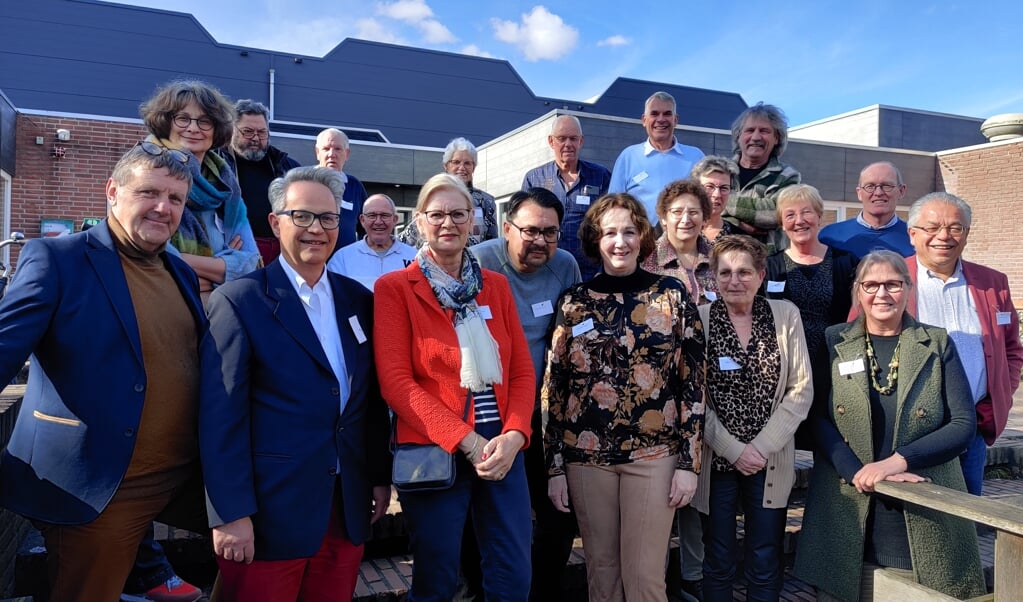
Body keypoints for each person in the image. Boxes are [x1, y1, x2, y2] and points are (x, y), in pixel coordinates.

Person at [0, 144, 211, 602]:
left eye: (176, 198)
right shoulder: (56, 260)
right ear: (113, 192)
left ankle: (152, 570)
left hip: (179, 477)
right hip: (97, 486)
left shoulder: (179, 269)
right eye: (150, 192)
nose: (163, 207)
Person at [202, 166, 391, 601]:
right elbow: (220, 417)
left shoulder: (358, 300)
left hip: (344, 507)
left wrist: (378, 476)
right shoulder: (240, 300)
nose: (316, 229)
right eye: (302, 216)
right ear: (275, 222)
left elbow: (367, 403)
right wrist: (229, 513)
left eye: (327, 218)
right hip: (270, 514)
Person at [374, 173, 535, 601]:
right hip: (436, 450)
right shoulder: (394, 289)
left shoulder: (495, 286)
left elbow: (520, 369)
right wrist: (465, 440)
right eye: (437, 214)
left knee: (513, 575)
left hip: (502, 447)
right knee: (437, 579)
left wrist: (516, 433)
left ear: (474, 221)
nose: (449, 223)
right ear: (421, 222)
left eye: (459, 214)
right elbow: (396, 383)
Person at [794, 251, 986, 602]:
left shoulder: (936, 342)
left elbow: (962, 425)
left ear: (908, 289)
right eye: (871, 284)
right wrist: (857, 472)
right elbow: (817, 417)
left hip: (922, 501)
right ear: (857, 291)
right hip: (847, 501)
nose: (882, 293)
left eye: (893, 284)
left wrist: (896, 462)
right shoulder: (833, 341)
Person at [543, 193, 705, 602]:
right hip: (585, 457)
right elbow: (554, 389)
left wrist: (689, 463)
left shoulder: (671, 295)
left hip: (653, 455)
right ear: (595, 239)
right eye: (610, 232)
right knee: (602, 574)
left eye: (629, 232)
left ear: (643, 238)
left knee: (645, 577)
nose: (620, 242)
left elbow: (693, 383)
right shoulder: (575, 301)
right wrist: (555, 468)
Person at [471, 187, 582, 600]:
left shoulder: (566, 266)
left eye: (551, 233)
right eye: (531, 230)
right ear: (507, 227)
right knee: (484, 518)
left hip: (545, 416)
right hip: (488, 416)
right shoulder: (479, 261)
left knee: (557, 518)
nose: (540, 241)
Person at [692, 235, 812, 602]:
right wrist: (733, 450)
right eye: (725, 272)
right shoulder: (700, 319)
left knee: (764, 555)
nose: (734, 280)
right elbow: (694, 397)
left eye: (744, 271)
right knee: (718, 557)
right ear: (713, 279)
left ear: (761, 275)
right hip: (718, 461)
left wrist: (758, 448)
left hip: (769, 457)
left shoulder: (785, 314)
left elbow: (801, 389)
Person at [905, 192, 1023, 495]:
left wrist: (1000, 393)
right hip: (908, 429)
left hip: (972, 424)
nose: (943, 236)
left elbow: (1011, 348)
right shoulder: (889, 277)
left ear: (967, 234)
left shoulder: (993, 283)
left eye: (955, 227)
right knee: (911, 516)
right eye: (932, 227)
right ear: (912, 234)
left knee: (967, 513)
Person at [140, 80, 260, 297]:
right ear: (166, 122)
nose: (193, 128)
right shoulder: (142, 171)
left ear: (217, 130)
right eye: (183, 118)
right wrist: (224, 266)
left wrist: (187, 266)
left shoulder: (226, 186)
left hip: (215, 311)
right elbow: (149, 255)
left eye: (205, 121)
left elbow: (252, 263)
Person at [764, 184, 858, 362]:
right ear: (782, 224)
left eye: (806, 212)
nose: (799, 221)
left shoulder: (846, 262)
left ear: (819, 217)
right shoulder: (769, 267)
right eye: (790, 215)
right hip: (786, 363)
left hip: (836, 360)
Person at [522, 114, 612, 279]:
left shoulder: (600, 177)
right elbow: (524, 226)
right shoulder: (534, 179)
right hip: (545, 271)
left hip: (589, 273)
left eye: (573, 138)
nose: (568, 144)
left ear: (581, 141)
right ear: (551, 141)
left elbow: (610, 224)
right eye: (562, 138)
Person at [218, 99, 301, 265]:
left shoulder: (287, 167)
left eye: (262, 132)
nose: (256, 138)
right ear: (232, 130)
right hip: (232, 250)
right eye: (248, 132)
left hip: (281, 250)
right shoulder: (216, 164)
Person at [609, 91, 705, 226]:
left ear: (675, 120)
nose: (661, 119)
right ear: (644, 120)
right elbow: (614, 206)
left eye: (667, 114)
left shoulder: (696, 157)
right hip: (640, 242)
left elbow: (707, 202)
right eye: (654, 114)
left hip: (684, 241)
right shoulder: (628, 157)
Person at [723, 103, 801, 253]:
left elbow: (774, 214)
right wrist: (737, 222)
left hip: (765, 262)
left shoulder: (787, 176)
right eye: (750, 130)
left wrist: (722, 203)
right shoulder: (718, 170)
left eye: (764, 131)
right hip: (719, 260)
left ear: (776, 138)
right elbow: (700, 208)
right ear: (738, 136)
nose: (756, 137)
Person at [400, 138, 498, 250]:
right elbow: (406, 239)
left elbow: (493, 244)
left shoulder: (486, 201)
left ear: (473, 167)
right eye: (456, 162)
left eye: (467, 163)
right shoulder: (434, 195)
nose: (462, 168)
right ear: (446, 166)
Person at [642, 179, 719, 305]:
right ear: (664, 218)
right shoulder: (646, 259)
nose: (685, 219)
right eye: (677, 212)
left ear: (704, 219)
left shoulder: (718, 260)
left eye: (693, 212)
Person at [818, 162, 914, 258]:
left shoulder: (916, 238)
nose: (878, 193)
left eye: (887, 186)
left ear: (901, 191)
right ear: (859, 193)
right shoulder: (830, 237)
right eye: (870, 186)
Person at [327, 193, 416, 291]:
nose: (378, 222)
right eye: (372, 215)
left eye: (384, 215)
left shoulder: (414, 257)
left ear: (394, 220)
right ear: (362, 220)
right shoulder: (342, 259)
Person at [314, 128, 368, 250]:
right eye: (326, 149)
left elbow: (365, 229)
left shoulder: (355, 186)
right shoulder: (303, 182)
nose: (332, 154)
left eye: (338, 149)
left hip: (345, 266)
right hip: (310, 262)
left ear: (347, 154)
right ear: (317, 152)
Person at [690, 156, 741, 242]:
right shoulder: (678, 227)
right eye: (709, 187)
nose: (717, 195)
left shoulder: (740, 238)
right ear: (696, 188)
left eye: (724, 188)